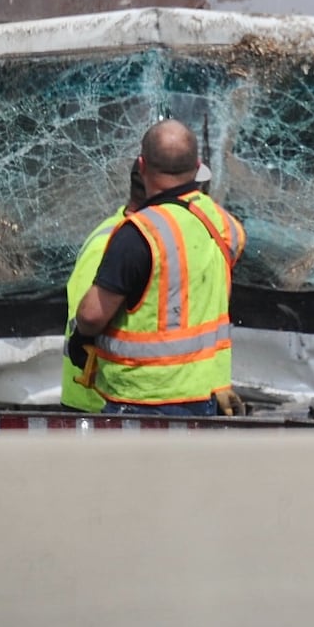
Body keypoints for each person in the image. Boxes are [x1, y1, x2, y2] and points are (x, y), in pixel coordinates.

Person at [69, 119, 246, 416]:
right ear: (198, 166)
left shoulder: (137, 233)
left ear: (142, 165)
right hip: (206, 395)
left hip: (143, 399)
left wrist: (82, 334)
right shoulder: (224, 224)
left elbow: (92, 315)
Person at [60, 159, 148, 412]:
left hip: (106, 401)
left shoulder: (137, 239)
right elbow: (87, 319)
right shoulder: (112, 244)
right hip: (92, 403)